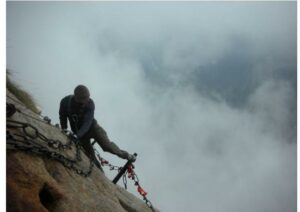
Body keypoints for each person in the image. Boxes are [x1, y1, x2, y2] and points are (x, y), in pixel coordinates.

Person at [59, 85, 135, 171]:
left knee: (107, 146)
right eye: (84, 99)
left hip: (93, 129)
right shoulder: (65, 102)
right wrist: (64, 129)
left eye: (87, 98)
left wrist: (77, 136)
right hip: (80, 134)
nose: (87, 101)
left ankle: (126, 155)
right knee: (90, 157)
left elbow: (87, 122)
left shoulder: (90, 103)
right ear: (76, 98)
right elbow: (63, 116)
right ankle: (100, 173)